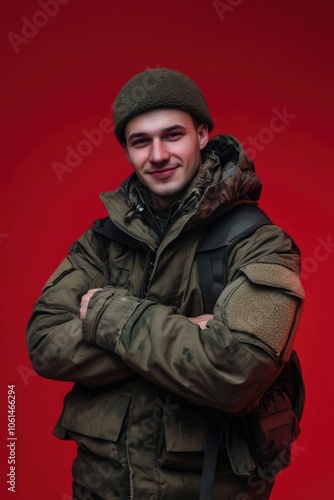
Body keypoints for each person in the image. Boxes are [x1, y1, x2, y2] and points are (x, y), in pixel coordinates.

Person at [26, 68, 305, 499]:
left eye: (172, 135)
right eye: (141, 141)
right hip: (99, 490)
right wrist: (189, 331)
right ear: (127, 151)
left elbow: (235, 372)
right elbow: (44, 344)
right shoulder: (101, 242)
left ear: (202, 134)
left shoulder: (260, 242)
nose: (157, 155)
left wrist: (107, 313)